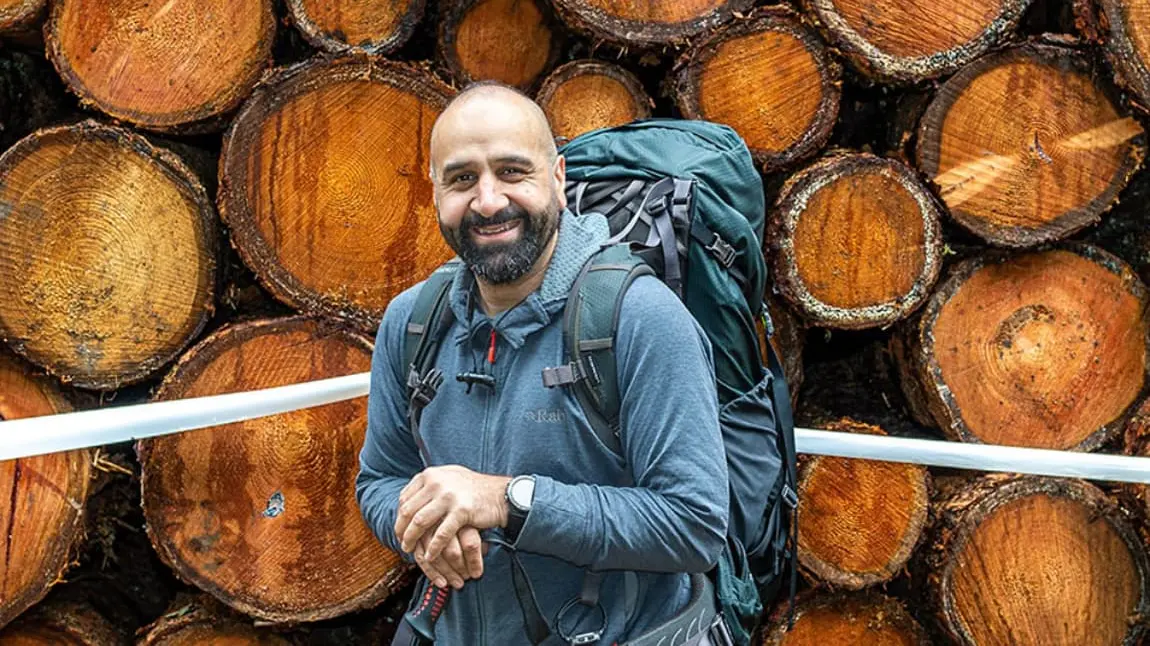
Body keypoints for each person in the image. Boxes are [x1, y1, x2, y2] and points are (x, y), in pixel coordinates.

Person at [355, 80, 730, 645]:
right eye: (462, 179)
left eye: (512, 172)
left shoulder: (640, 317)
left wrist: (507, 501)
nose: (487, 201)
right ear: (433, 194)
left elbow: (693, 525)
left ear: (557, 178)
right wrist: (423, 524)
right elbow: (380, 480)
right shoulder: (412, 323)